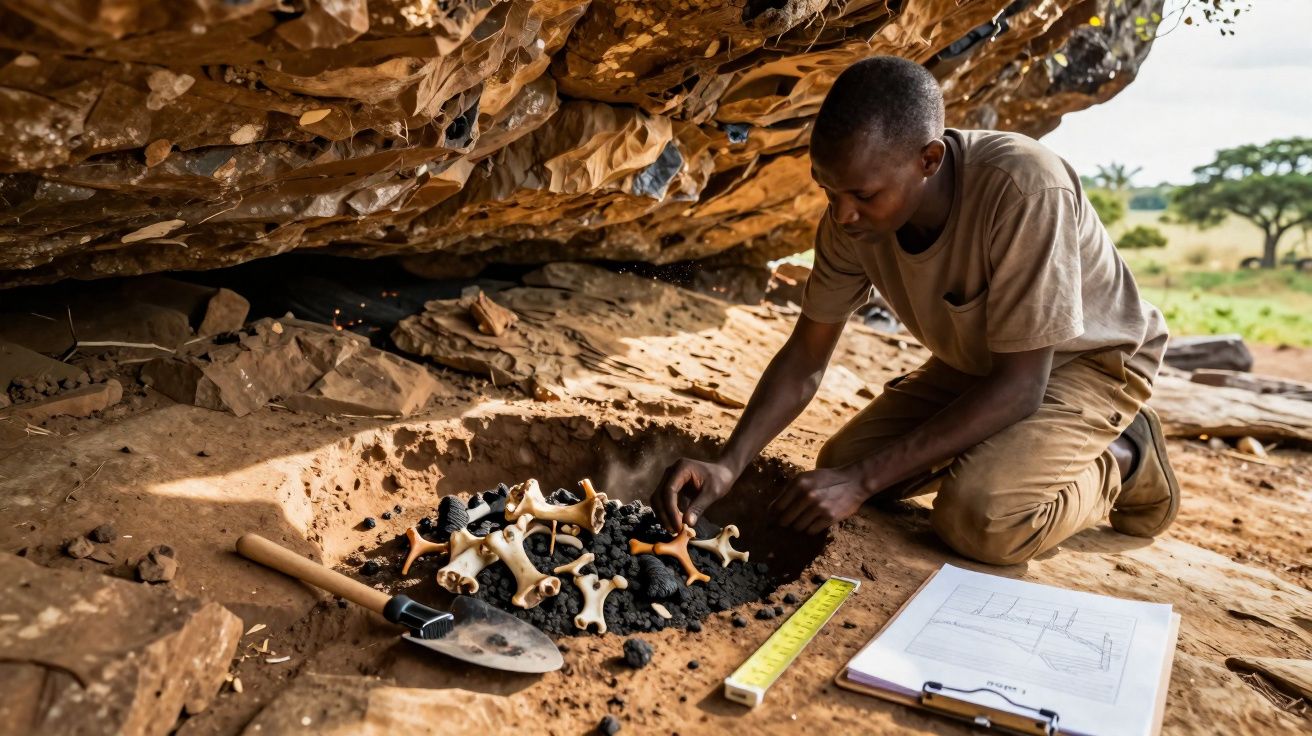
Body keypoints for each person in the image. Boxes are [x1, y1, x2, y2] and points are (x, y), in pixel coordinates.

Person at [649, 56, 1178, 565]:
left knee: (981, 518)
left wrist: (863, 482)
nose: (842, 213)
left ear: (929, 160)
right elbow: (807, 356)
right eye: (827, 190)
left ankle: (1125, 458)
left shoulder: (1025, 188)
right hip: (979, 365)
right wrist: (729, 463)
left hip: (1084, 364)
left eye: (862, 194)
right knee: (838, 465)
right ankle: (1005, 448)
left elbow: (1022, 386)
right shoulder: (850, 217)